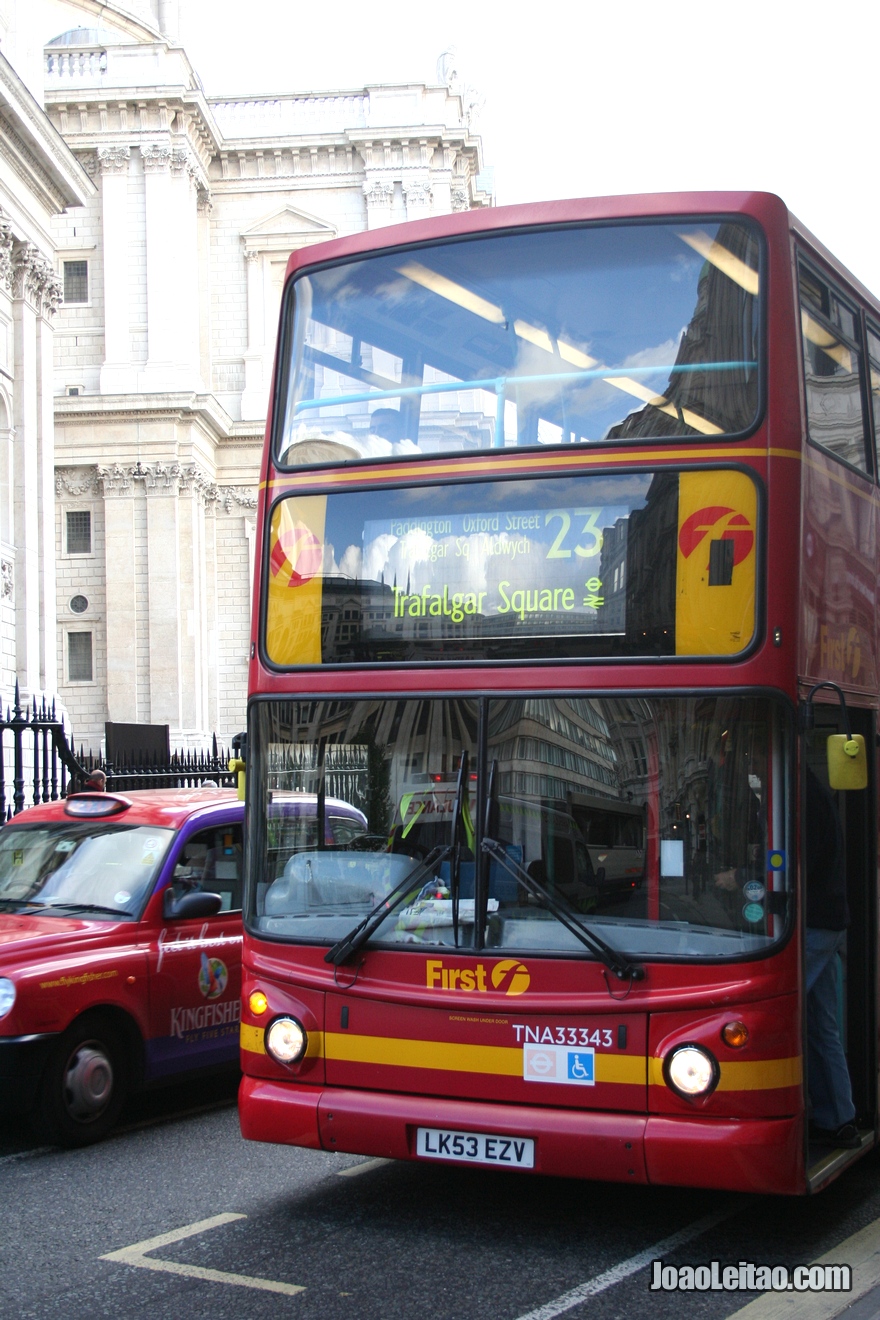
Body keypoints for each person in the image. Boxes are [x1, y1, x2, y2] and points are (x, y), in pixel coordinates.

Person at [804, 769, 859, 1147]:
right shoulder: (812, 790)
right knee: (821, 1025)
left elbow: (800, 863)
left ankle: (827, 1115)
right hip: (825, 921)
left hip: (813, 923)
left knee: (781, 1008)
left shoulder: (800, 794)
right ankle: (839, 1118)